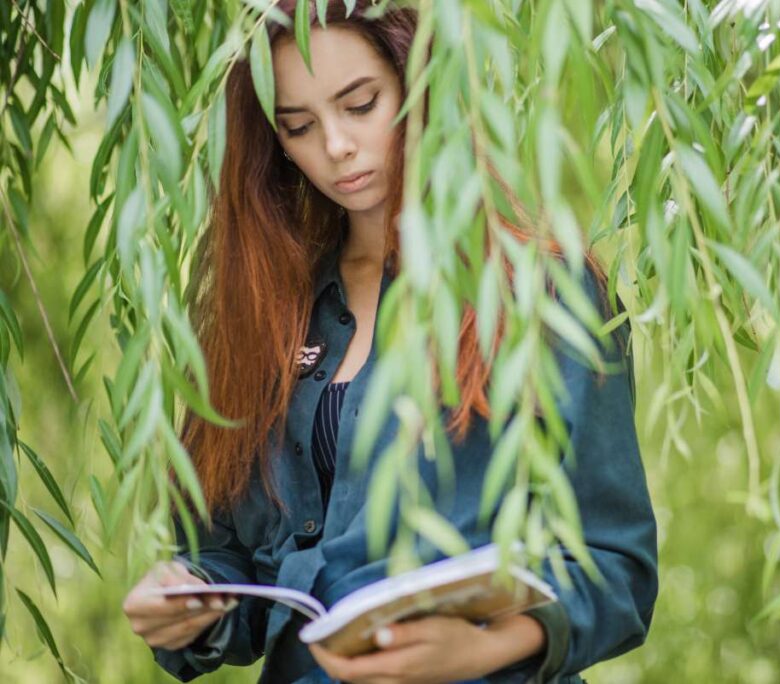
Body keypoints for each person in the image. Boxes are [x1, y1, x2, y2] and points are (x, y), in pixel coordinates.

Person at [121, 1, 658, 682]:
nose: (336, 146)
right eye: (300, 126)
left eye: (361, 104)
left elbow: (617, 566)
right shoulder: (265, 315)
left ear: (420, 87)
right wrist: (188, 602)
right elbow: (228, 557)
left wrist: (484, 648)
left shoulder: (545, 291)